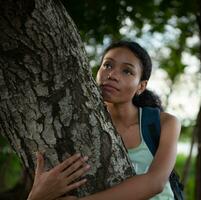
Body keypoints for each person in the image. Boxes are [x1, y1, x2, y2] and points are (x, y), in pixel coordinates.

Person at [27, 41, 181, 200]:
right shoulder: (75, 122)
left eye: (127, 71)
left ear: (141, 86)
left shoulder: (164, 123)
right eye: (107, 65)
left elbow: (155, 182)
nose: (112, 75)